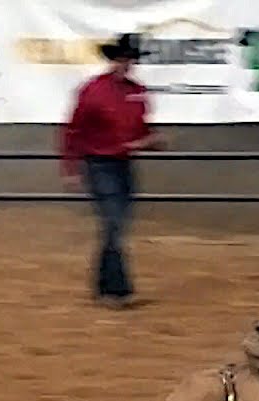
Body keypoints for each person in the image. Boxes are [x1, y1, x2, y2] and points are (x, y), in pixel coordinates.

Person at [60, 33, 166, 309]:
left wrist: (151, 142)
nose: (126, 64)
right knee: (115, 224)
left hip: (121, 165)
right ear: (114, 60)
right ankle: (118, 290)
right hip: (99, 164)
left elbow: (142, 131)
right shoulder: (94, 91)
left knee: (114, 226)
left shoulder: (136, 92)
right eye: (122, 58)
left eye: (129, 59)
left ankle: (104, 287)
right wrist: (71, 167)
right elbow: (74, 131)